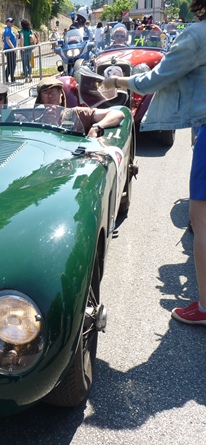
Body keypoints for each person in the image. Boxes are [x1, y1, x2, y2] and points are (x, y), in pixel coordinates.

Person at [102, 0, 206, 325]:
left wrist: (116, 83)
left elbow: (152, 81)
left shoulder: (197, 35)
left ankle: (204, 307)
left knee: (200, 219)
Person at [35, 77, 125, 138]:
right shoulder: (36, 123)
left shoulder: (77, 113)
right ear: (41, 99)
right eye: (45, 93)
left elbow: (117, 114)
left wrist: (96, 127)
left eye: (53, 92)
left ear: (61, 94)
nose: (50, 96)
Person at [18, 19, 37, 83]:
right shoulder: (30, 31)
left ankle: (26, 77)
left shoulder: (22, 31)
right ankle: (31, 75)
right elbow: (34, 37)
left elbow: (22, 38)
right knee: (29, 63)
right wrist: (34, 45)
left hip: (24, 49)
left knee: (24, 63)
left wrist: (22, 46)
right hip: (30, 48)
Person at [3, 17, 17, 84]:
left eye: (13, 22)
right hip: (9, 49)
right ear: (7, 23)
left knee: (11, 64)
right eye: (11, 22)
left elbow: (11, 39)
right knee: (11, 64)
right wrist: (13, 48)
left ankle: (9, 78)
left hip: (10, 49)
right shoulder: (7, 30)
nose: (12, 23)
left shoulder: (10, 30)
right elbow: (7, 40)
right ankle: (10, 78)